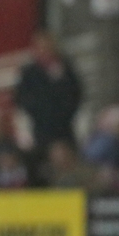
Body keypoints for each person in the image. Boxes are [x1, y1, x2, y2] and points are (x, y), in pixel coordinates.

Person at [13, 30, 82, 183]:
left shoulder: (65, 69)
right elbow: (21, 99)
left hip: (62, 129)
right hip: (37, 129)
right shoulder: (29, 72)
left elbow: (75, 95)